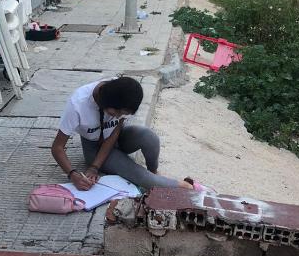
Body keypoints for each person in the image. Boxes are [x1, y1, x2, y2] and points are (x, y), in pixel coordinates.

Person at [51, 76, 203, 191]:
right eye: (115, 112)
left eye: (122, 114)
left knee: (149, 137)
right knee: (140, 176)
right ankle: (186, 187)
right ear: (105, 102)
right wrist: (74, 174)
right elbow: (57, 147)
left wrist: (96, 167)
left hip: (115, 139)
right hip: (94, 148)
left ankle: (154, 172)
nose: (117, 117)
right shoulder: (78, 104)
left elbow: (114, 134)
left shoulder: (121, 91)